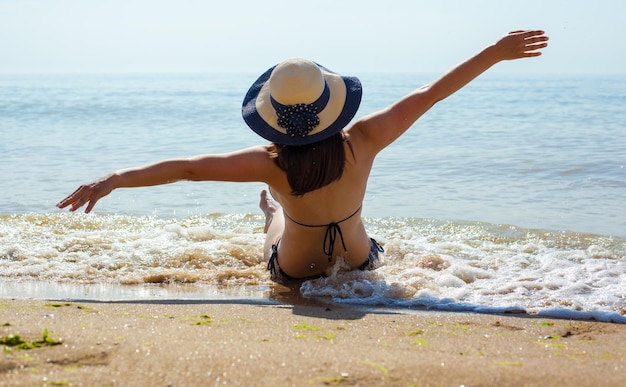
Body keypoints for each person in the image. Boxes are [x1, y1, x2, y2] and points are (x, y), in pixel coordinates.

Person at [57, 30, 549, 282]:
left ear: (273, 116)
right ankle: (284, 215)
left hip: (294, 274)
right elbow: (432, 92)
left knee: (278, 216)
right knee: (351, 224)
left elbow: (186, 169)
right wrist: (495, 51)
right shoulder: (366, 139)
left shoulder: (270, 162)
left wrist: (114, 178)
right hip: (359, 264)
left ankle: (272, 213)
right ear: (331, 106)